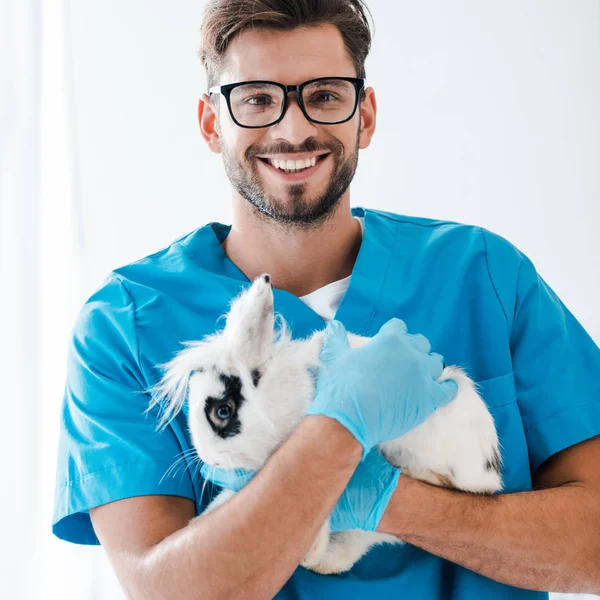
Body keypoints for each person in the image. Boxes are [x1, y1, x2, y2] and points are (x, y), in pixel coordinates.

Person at [51, 0, 600, 598]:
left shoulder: (485, 277)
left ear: (363, 115)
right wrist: (336, 436)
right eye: (257, 99)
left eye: (325, 95)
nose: (292, 129)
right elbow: (170, 592)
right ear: (212, 124)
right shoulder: (125, 323)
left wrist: (388, 500)